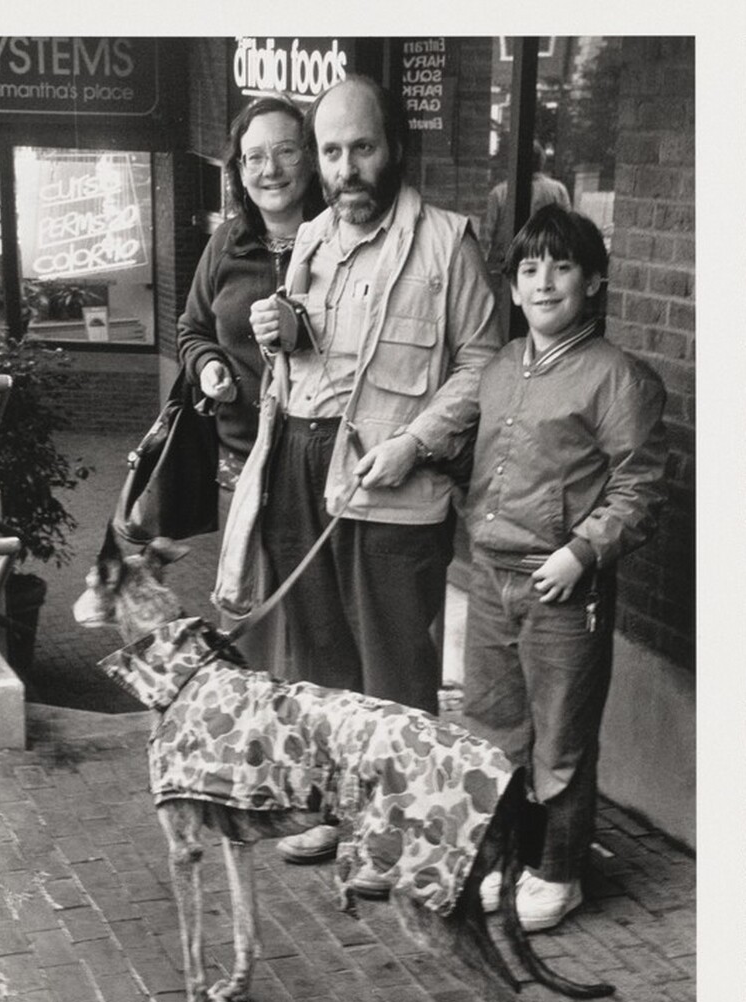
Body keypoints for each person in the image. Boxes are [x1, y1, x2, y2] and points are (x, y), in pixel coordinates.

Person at [246, 74, 502, 876]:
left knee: (394, 667)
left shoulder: (446, 243)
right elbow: (313, 355)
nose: (346, 166)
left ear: (392, 148)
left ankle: (401, 835)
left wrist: (416, 444)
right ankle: (337, 811)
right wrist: (279, 331)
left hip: (390, 478)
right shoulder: (314, 240)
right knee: (319, 659)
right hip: (301, 462)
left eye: (362, 147)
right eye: (332, 151)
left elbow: (484, 363)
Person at [463, 205, 667, 932]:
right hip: (489, 576)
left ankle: (559, 873)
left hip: (559, 584)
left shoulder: (619, 379)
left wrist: (580, 551)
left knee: (559, 736)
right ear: (511, 289)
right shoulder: (496, 368)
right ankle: (504, 859)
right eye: (528, 268)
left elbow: (639, 486)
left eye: (560, 266)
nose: (542, 281)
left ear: (593, 282)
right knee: (494, 727)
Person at [176, 93, 320, 672]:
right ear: (237, 170)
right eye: (253, 157)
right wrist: (207, 366)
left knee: (311, 624)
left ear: (310, 159)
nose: (271, 170)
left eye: (285, 151)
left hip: (316, 469)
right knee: (248, 623)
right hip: (242, 468)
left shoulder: (340, 243)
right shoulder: (225, 245)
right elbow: (191, 329)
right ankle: (257, 750)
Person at [482, 141, 571, 270]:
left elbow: (486, 235)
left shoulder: (499, 192)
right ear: (541, 161)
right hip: (546, 260)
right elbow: (568, 230)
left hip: (505, 263)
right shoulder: (558, 190)